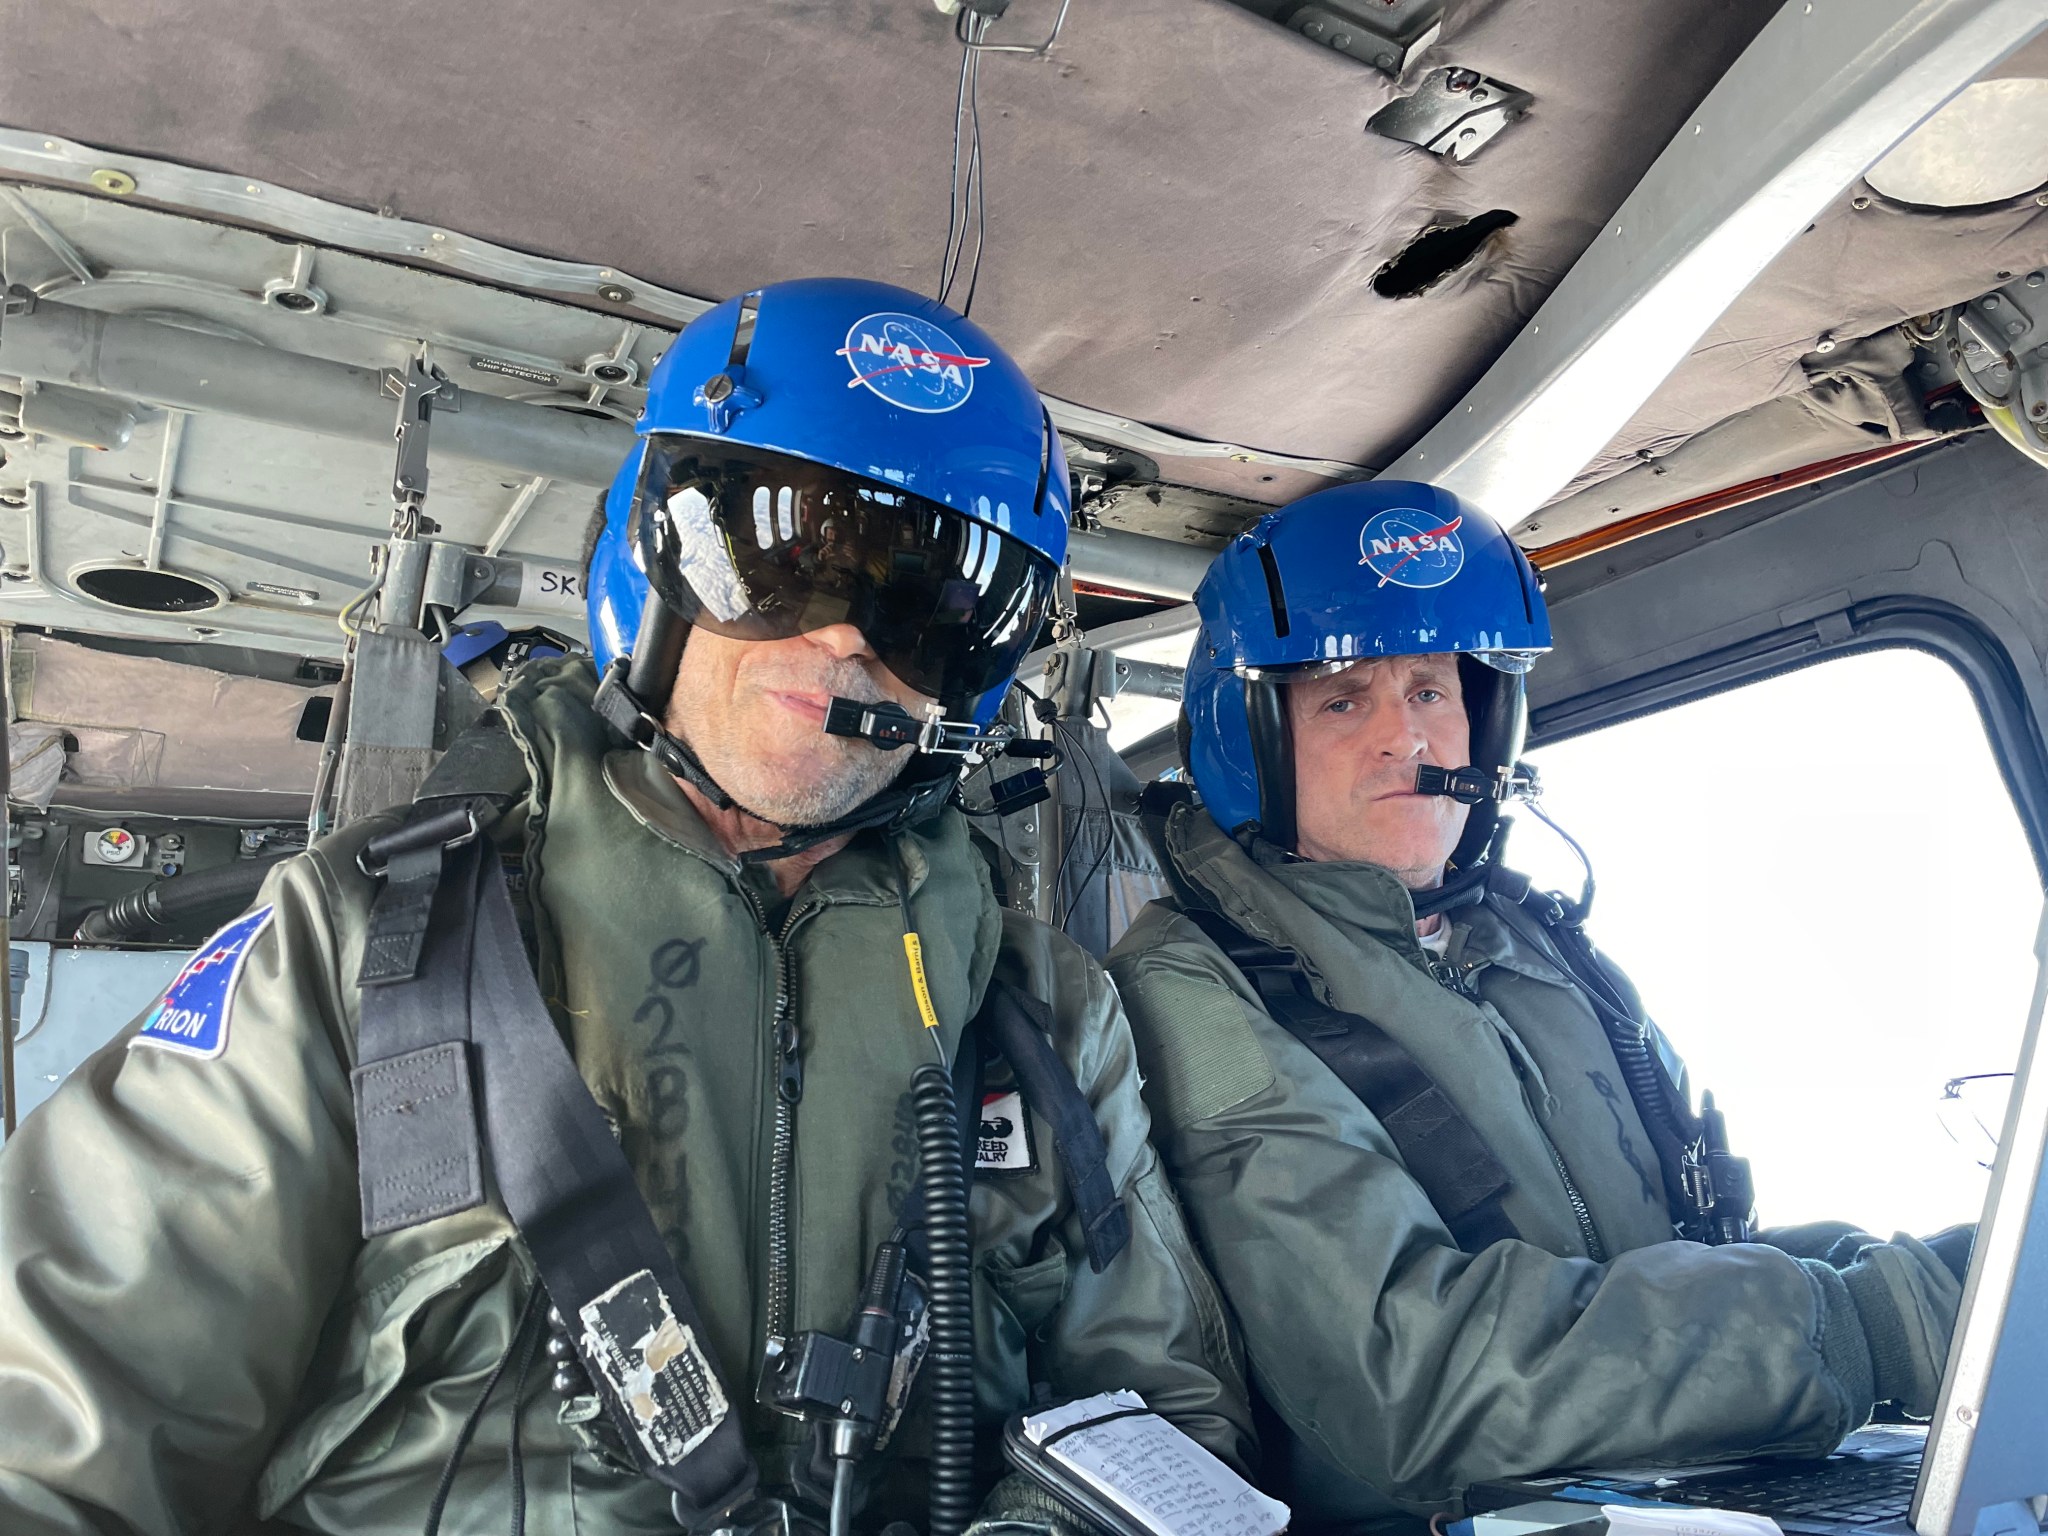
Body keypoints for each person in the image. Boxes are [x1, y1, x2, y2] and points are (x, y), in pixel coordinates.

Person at [0, 278, 1250, 1536]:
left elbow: (1163, 1408)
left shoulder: (1041, 1011)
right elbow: (60, 1444)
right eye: (781, 560)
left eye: (924, 608)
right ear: (653, 555)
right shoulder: (365, 942)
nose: (840, 642)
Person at [1106, 480, 1967, 1530]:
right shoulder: (1192, 983)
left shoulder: (1528, 945)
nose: (1406, 740)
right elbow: (1406, 1382)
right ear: (1249, 739)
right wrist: (1872, 1327)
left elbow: (1657, 1262)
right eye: (1342, 700)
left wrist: (1924, 1289)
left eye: (1431, 691)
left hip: (1665, 1494)